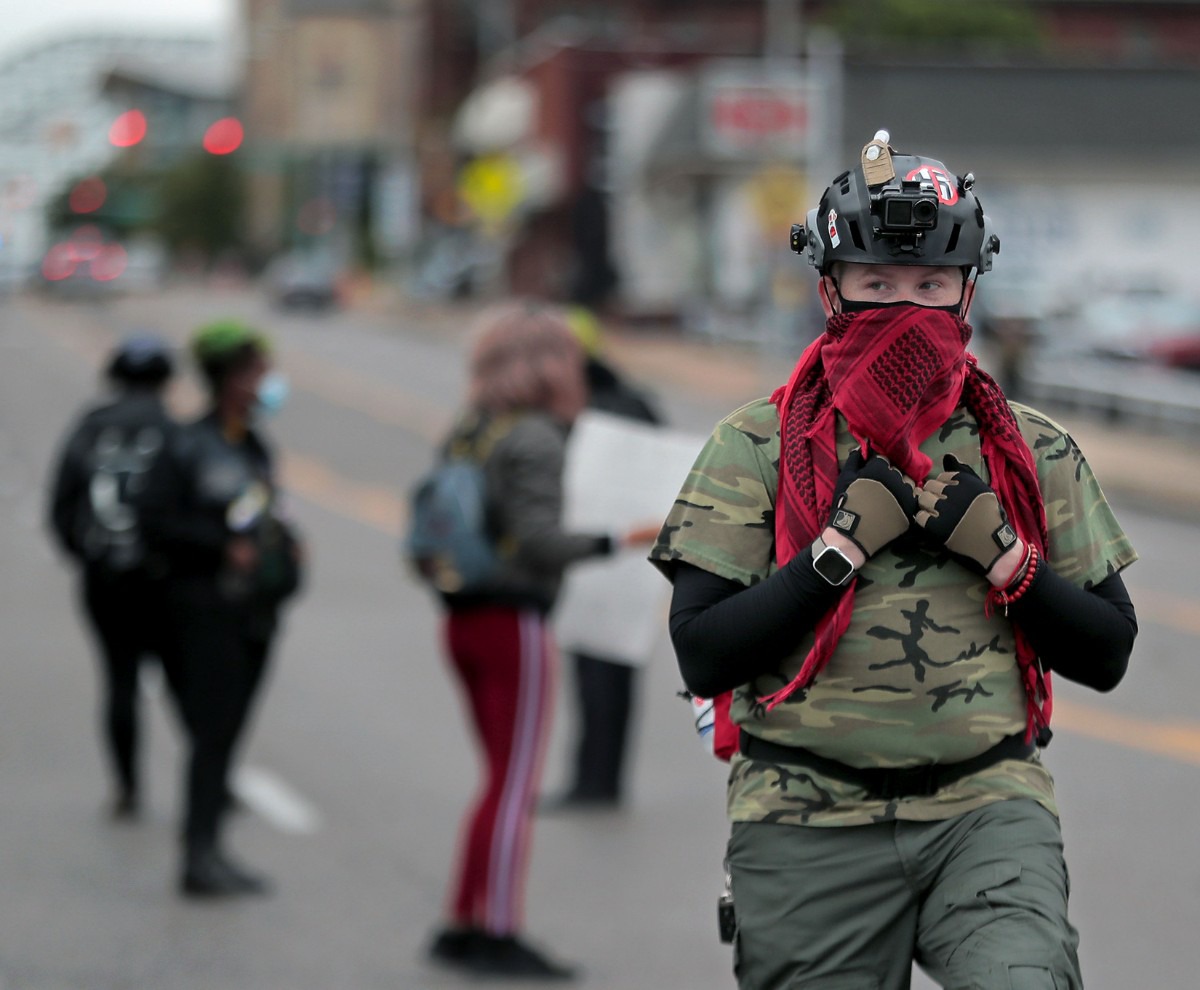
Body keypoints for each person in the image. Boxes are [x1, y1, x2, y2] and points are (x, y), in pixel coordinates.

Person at [649, 131, 1139, 990]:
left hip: (983, 806)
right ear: (830, 290)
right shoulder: (756, 446)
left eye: (929, 286)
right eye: (877, 284)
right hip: (807, 813)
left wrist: (1003, 557)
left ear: (967, 291)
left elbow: (1106, 652)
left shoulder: (1028, 448)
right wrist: (833, 555)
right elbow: (703, 652)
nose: (904, 308)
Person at [425, 301, 650, 980]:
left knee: (496, 778)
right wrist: (624, 537)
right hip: (513, 621)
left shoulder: (471, 429)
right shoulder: (536, 438)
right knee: (514, 781)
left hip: (462, 616)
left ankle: (464, 918)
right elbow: (543, 542)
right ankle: (495, 927)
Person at [135, 319, 303, 898]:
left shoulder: (252, 443)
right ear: (228, 378)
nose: (265, 382)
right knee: (211, 736)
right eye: (256, 371)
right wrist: (217, 547)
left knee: (227, 735)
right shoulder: (186, 444)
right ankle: (199, 856)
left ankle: (211, 849)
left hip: (253, 613)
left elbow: (263, 512)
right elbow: (153, 522)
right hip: (201, 612)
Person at [47, 334, 181, 819]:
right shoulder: (173, 430)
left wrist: (87, 555)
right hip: (161, 579)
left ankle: (127, 787)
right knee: (183, 680)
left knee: (120, 681)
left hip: (104, 576)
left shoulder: (91, 427)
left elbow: (60, 506)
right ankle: (210, 783)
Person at [544, 305, 663, 810]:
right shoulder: (629, 399)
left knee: (602, 671)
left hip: (615, 553)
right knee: (601, 670)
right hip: (611, 555)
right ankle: (598, 779)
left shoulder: (599, 406)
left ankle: (596, 783)